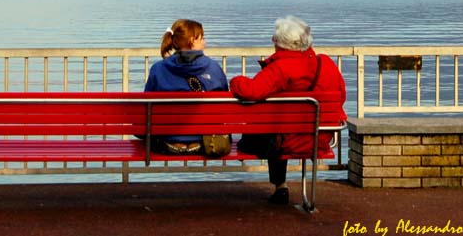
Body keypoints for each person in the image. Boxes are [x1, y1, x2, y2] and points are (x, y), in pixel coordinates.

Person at [229, 15, 346, 205]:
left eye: (274, 38)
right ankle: (283, 187)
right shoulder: (327, 63)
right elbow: (341, 95)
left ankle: (281, 185)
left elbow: (251, 91)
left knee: (268, 133)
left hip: (286, 142)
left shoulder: (281, 68)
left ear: (280, 43)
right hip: (319, 139)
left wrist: (235, 81)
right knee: (279, 127)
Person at [144, 19, 228, 154]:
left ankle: (177, 141)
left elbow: (146, 106)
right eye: (202, 38)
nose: (205, 42)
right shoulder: (213, 68)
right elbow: (225, 105)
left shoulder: (157, 69)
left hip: (168, 140)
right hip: (205, 141)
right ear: (192, 40)